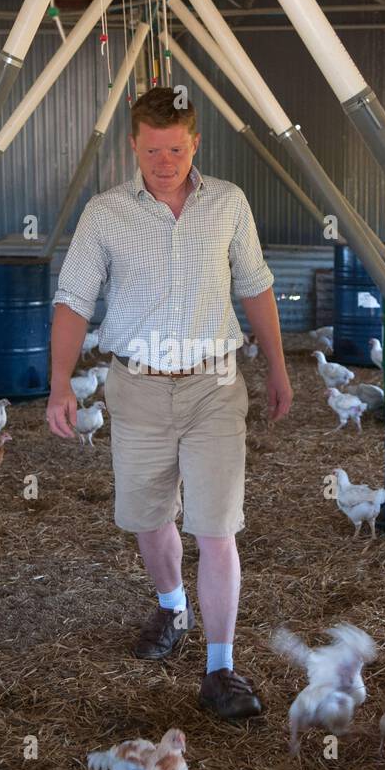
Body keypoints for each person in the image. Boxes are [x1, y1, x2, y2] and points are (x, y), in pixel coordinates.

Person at [46, 86, 292, 719]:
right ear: (133, 145)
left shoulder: (229, 204)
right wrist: (59, 383)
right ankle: (172, 603)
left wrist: (278, 367)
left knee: (216, 530)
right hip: (137, 386)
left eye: (176, 149)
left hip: (215, 386)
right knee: (149, 517)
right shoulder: (104, 214)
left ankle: (220, 668)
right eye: (152, 149)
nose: (164, 161)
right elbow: (74, 299)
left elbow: (256, 287)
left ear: (195, 143)